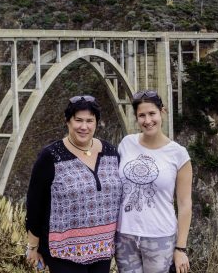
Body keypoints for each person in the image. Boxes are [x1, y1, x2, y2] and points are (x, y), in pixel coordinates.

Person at [25, 95, 124, 273]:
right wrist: (33, 247)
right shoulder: (50, 156)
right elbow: (34, 204)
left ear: (96, 123)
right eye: (78, 120)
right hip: (63, 252)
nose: (84, 126)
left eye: (89, 121)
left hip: (102, 249)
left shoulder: (111, 153)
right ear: (68, 121)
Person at [116, 90, 193, 273]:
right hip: (124, 236)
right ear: (136, 118)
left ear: (162, 112)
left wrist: (180, 248)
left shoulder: (179, 154)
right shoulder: (126, 144)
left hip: (160, 238)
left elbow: (185, 204)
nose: (147, 120)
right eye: (141, 115)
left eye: (152, 113)